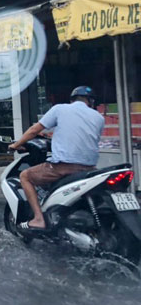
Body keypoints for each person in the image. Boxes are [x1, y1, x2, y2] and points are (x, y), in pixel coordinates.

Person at [8, 86, 104, 231]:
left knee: (25, 176)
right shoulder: (99, 117)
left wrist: (16, 145)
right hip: (89, 168)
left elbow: (34, 130)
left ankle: (39, 219)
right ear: (90, 101)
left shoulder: (59, 109)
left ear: (72, 99)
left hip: (63, 167)